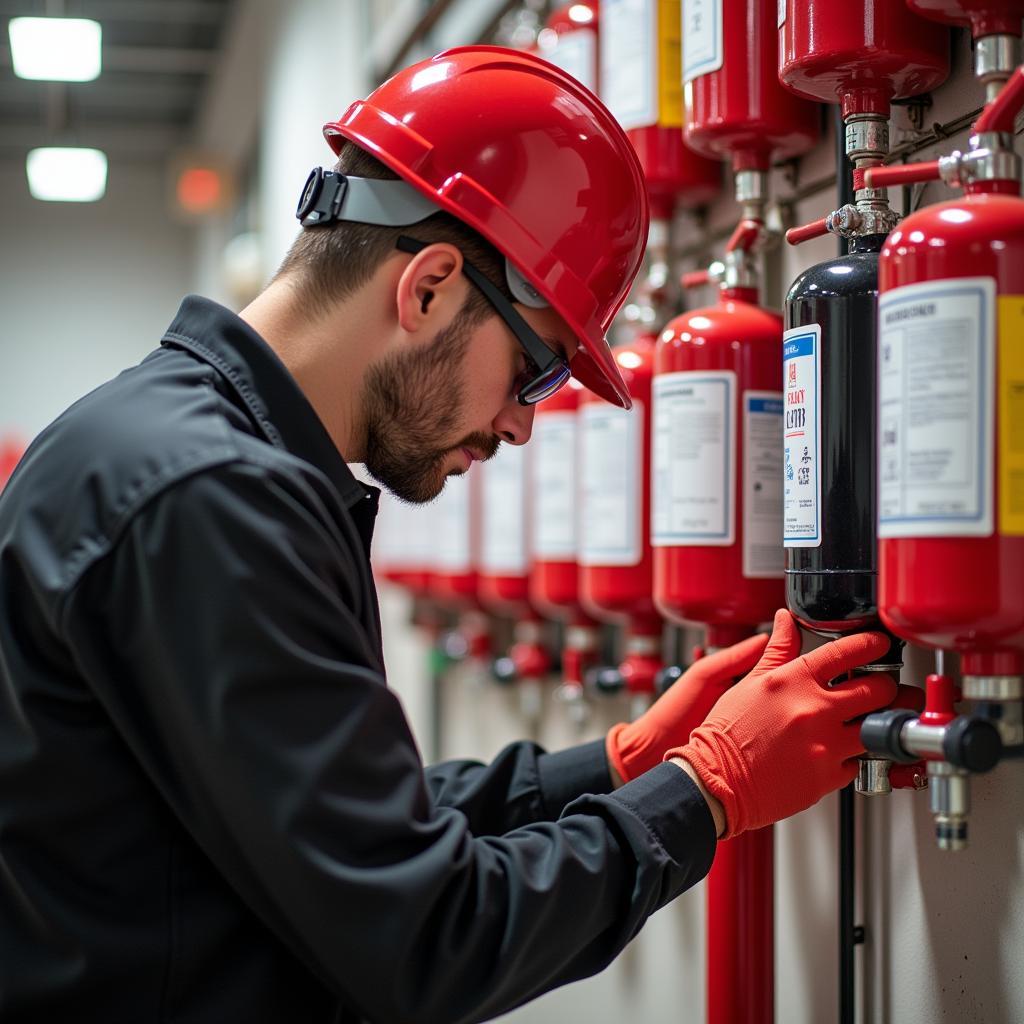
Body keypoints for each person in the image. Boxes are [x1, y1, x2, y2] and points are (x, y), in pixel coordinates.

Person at [0, 47, 911, 1023]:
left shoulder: (178, 452)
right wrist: (706, 789)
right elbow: (427, 938)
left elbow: (334, 823)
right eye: (537, 370)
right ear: (428, 286)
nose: (523, 423)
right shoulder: (214, 500)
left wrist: (615, 763)